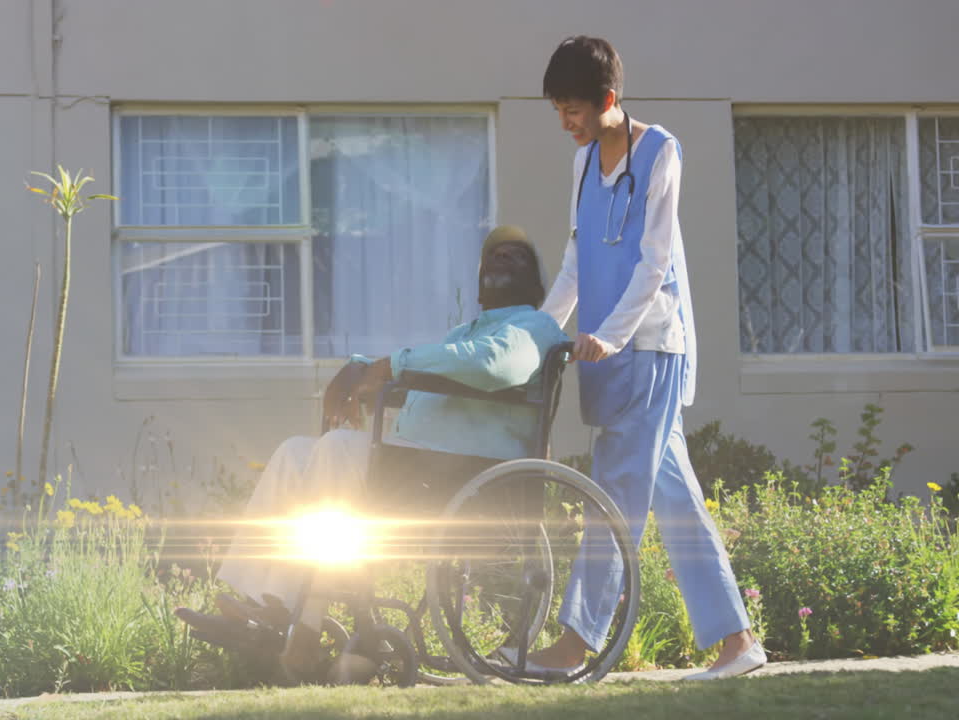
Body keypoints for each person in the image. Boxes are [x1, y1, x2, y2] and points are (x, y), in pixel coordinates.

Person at [176, 225, 570, 676]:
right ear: (479, 283)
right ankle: (259, 607)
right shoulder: (467, 331)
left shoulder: (533, 326)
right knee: (295, 453)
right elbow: (430, 375)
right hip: (426, 468)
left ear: (537, 286)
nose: (502, 258)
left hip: (470, 479)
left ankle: (302, 617)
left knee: (339, 450)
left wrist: (392, 364)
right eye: (493, 255)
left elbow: (497, 365)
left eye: (516, 255)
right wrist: (360, 369)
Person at [527, 35, 764, 681]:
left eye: (572, 108)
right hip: (608, 349)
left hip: (649, 344)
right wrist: (540, 330)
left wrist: (615, 334)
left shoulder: (661, 152)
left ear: (608, 99)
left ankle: (576, 643)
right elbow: (578, 260)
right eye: (557, 110)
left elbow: (655, 261)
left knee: (614, 493)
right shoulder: (582, 165)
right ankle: (738, 642)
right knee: (675, 497)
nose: (564, 121)